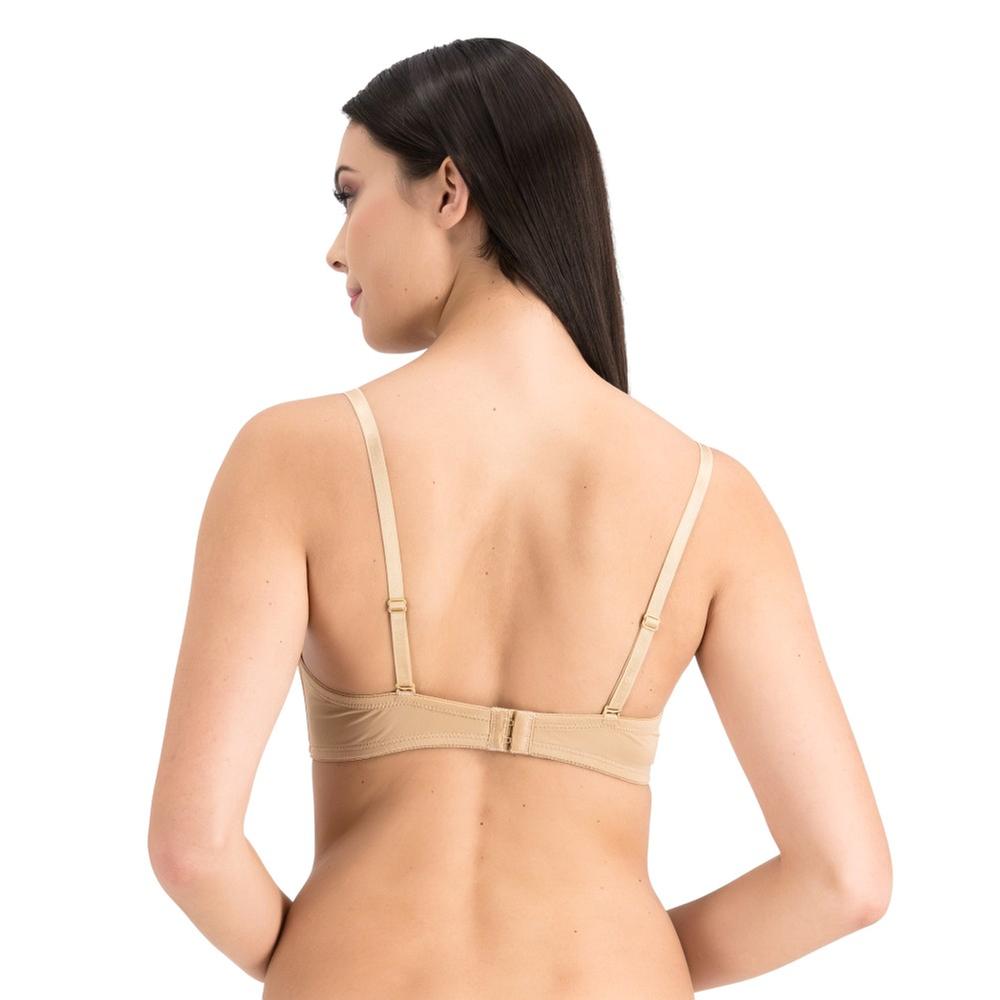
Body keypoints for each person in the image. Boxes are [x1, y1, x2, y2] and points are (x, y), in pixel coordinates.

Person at [148, 37, 891, 998]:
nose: (335, 248)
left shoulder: (288, 457)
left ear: (449, 191)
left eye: (349, 195)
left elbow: (192, 849)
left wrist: (320, 954)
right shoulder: (713, 499)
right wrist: (636, 963)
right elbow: (846, 879)